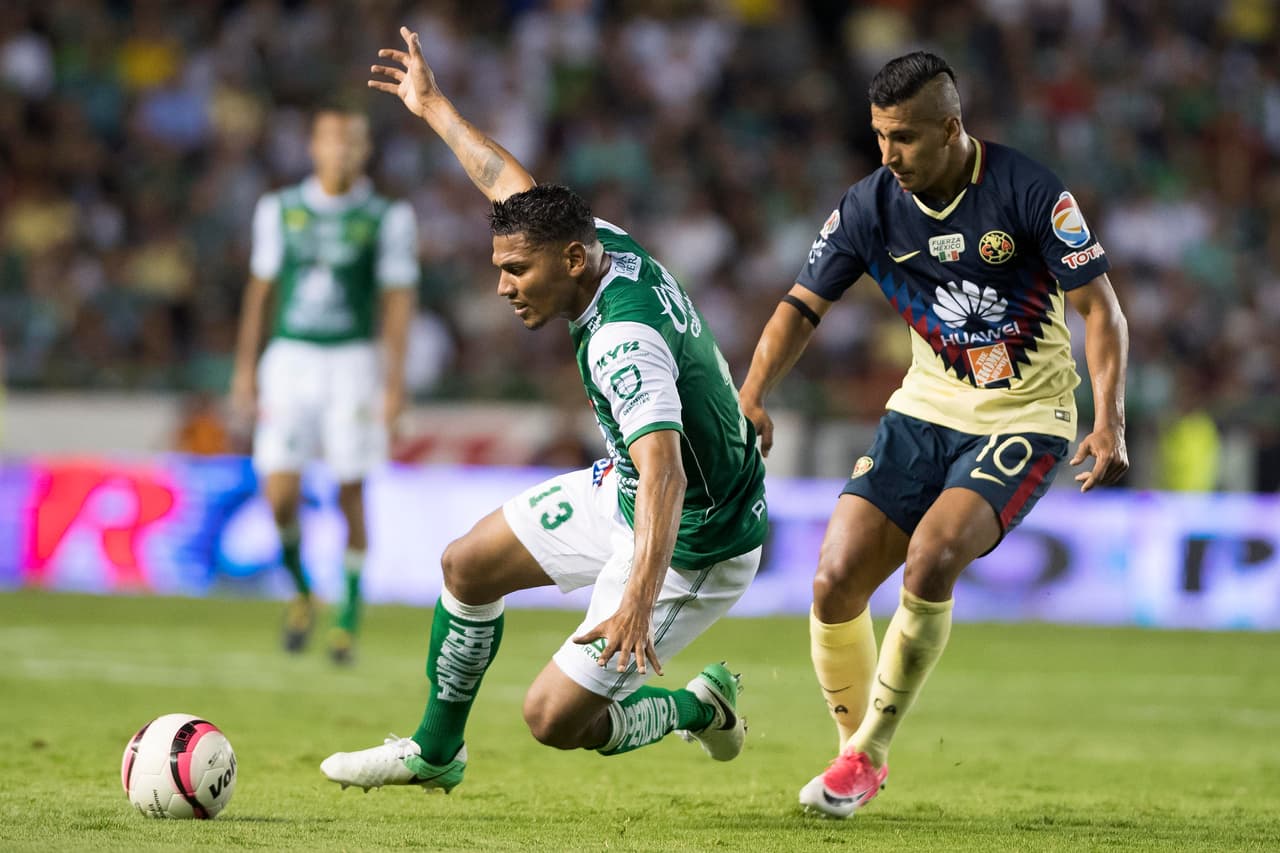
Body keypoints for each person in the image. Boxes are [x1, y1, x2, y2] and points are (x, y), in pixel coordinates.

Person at [318, 27, 768, 793]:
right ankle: (435, 749)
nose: (503, 286)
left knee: (554, 719)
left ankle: (699, 706)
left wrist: (635, 600)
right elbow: (503, 180)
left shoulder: (622, 341)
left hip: (695, 540)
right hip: (627, 490)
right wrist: (431, 107)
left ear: (568, 260)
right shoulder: (600, 245)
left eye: (515, 269)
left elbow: (666, 475)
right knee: (467, 564)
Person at [737, 51, 1129, 818]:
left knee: (933, 556)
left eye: (906, 139)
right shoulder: (869, 205)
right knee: (833, 578)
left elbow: (1100, 311)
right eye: (879, 136)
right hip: (924, 407)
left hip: (1026, 413)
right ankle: (856, 753)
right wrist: (751, 392)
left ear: (953, 128)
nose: (889, 155)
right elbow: (800, 304)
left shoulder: (1029, 191)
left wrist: (1109, 417)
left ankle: (868, 753)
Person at [230, 107, 418, 665]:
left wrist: (394, 383)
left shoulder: (387, 216)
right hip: (290, 360)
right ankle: (302, 592)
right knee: (280, 494)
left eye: (353, 141)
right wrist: (244, 367)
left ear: (365, 151)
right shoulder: (280, 209)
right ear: (313, 146)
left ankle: (349, 620)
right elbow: (260, 290)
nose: (342, 151)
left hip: (354, 363)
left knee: (349, 490)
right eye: (333, 140)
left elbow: (398, 301)